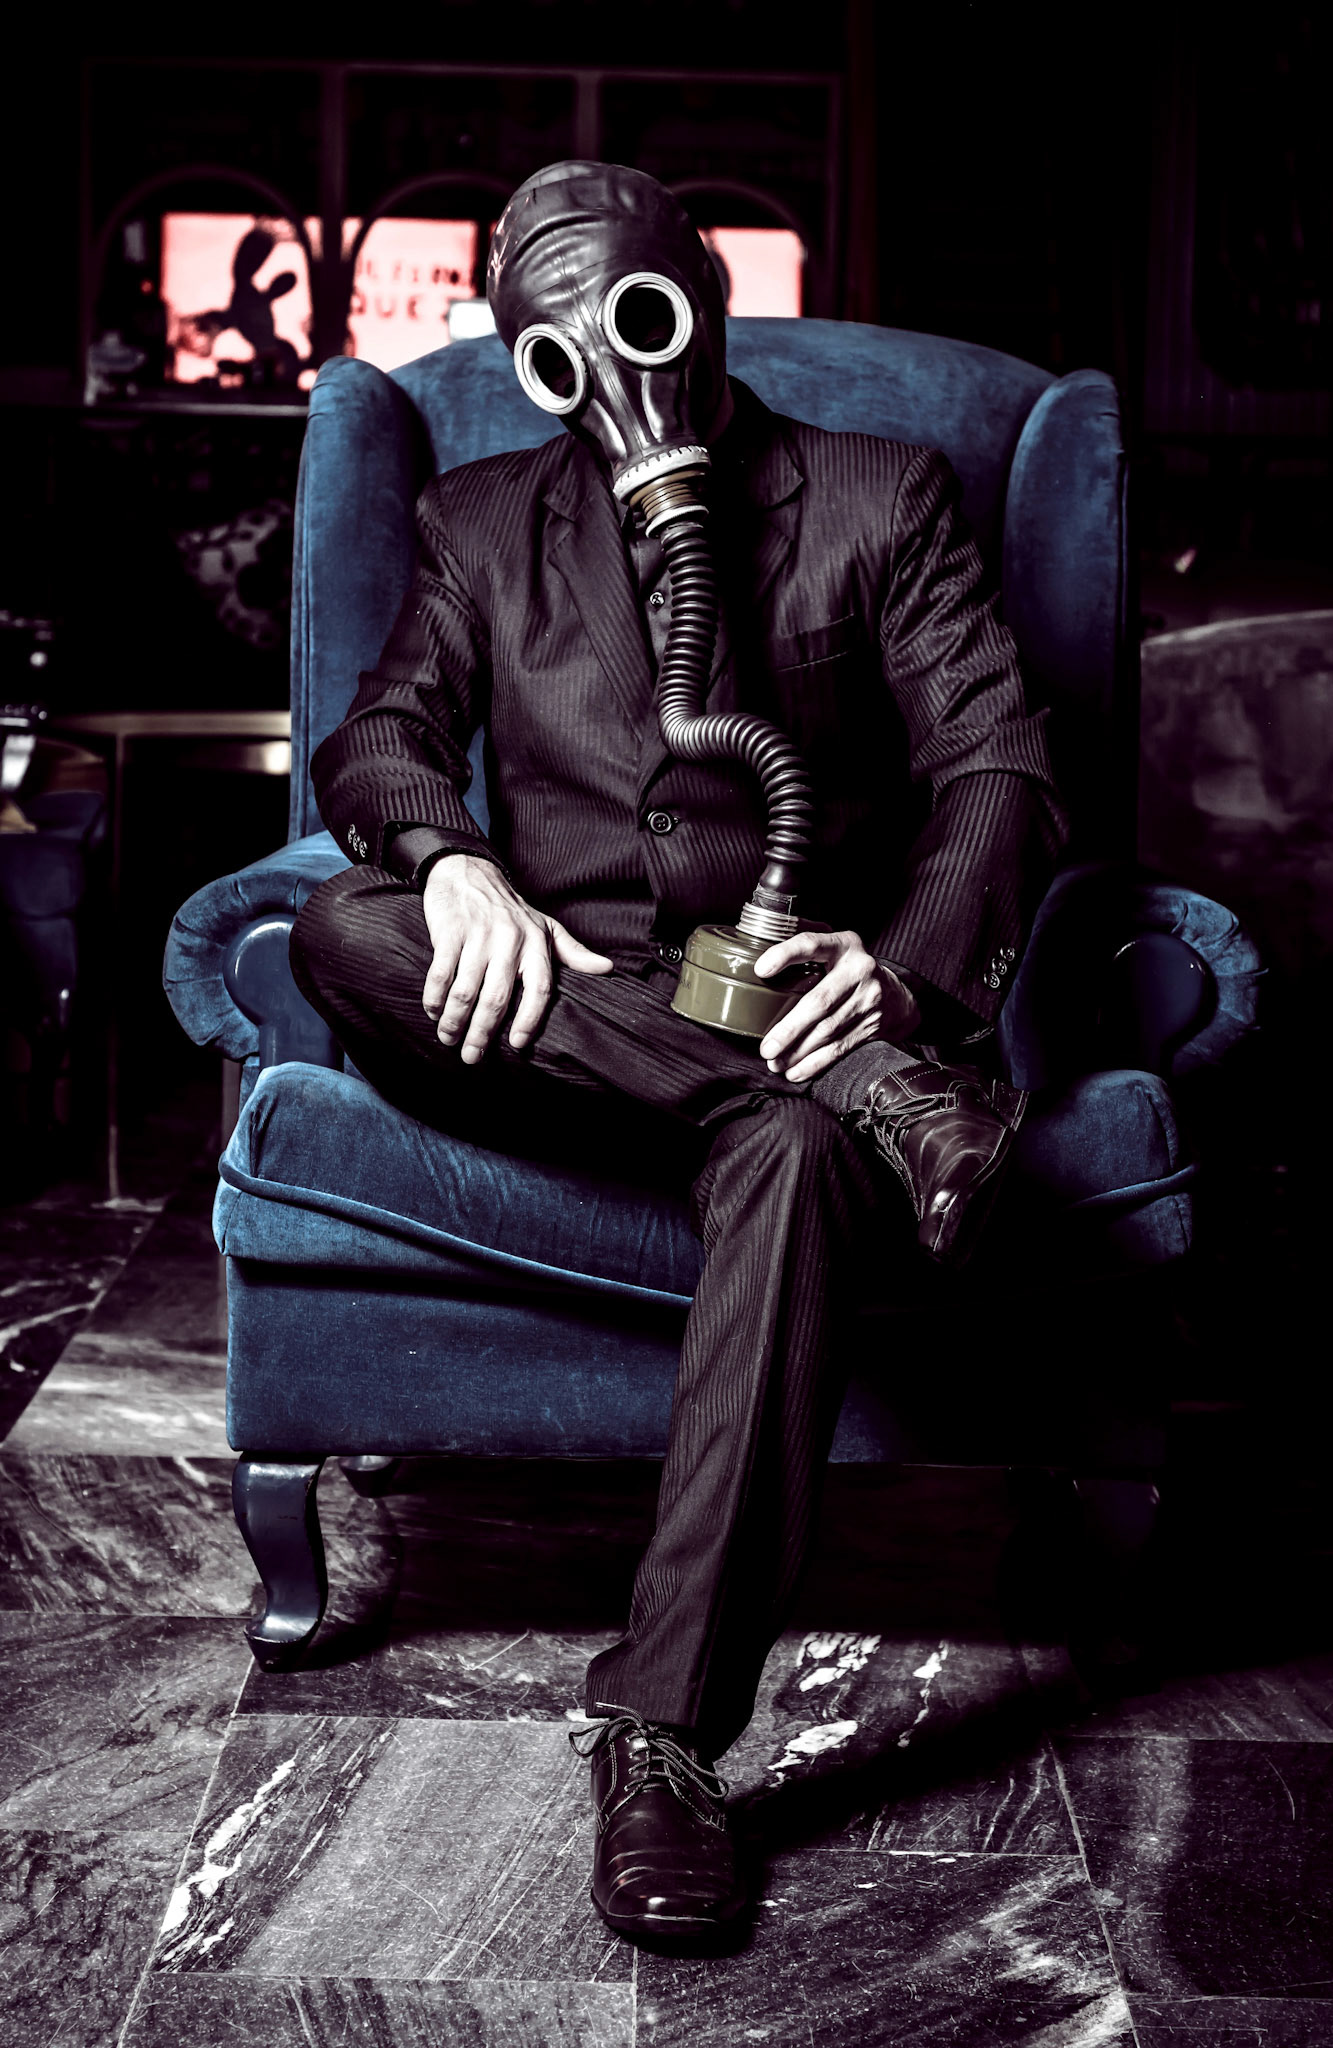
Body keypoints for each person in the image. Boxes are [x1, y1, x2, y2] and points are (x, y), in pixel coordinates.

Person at [289, 160, 1065, 1944]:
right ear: (528, 366)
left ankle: (660, 1738)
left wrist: (902, 984)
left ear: (705, 297)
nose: (617, 374)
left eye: (637, 314)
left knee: (788, 1153)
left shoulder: (878, 493)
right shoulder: (478, 520)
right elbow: (375, 742)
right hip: (550, 1014)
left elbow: (1001, 766)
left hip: (786, 1003)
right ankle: (879, 1106)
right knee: (340, 927)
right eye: (560, 351)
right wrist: (456, 865)